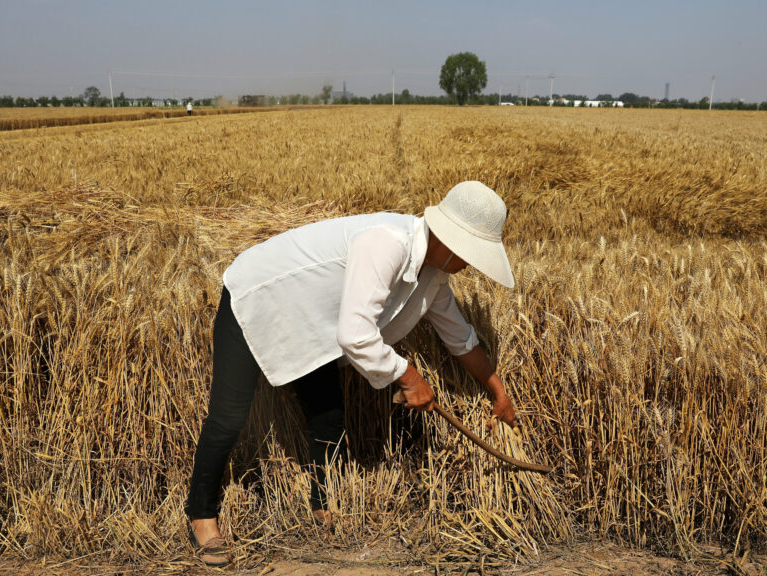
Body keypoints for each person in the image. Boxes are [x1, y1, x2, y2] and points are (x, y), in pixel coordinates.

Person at [185, 181, 518, 566]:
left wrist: (497, 390)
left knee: (328, 414)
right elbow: (355, 333)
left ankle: (321, 506)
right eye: (471, 254)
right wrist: (408, 376)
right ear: (450, 241)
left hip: (312, 320)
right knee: (229, 417)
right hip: (259, 296)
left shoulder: (433, 276)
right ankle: (201, 514)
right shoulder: (387, 243)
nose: (471, 265)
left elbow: (459, 338)